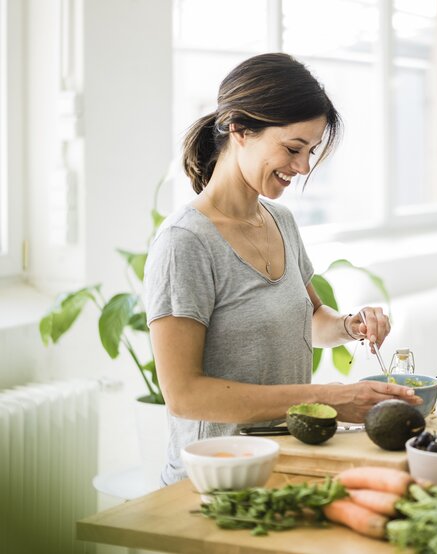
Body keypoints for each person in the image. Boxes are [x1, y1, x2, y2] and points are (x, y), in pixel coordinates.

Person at [143, 53, 421, 485]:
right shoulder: (185, 242)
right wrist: (329, 398)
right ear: (239, 128)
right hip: (215, 480)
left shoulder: (281, 221)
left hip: (285, 462)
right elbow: (184, 395)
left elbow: (310, 320)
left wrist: (350, 325)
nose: (303, 167)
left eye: (310, 152)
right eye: (293, 148)